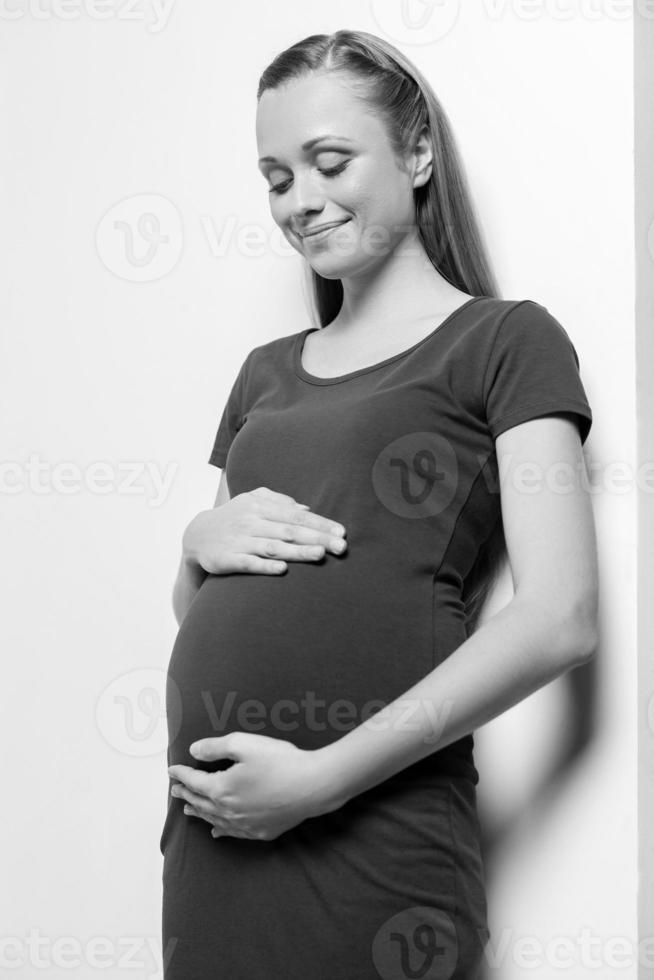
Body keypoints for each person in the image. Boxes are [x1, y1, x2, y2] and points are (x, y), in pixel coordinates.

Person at [159, 29, 598, 980]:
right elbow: (204, 607)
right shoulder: (263, 373)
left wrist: (319, 783)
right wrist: (198, 541)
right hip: (214, 845)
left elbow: (561, 618)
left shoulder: (505, 341)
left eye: (328, 162)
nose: (300, 202)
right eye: (277, 178)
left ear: (417, 151)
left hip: (374, 838)